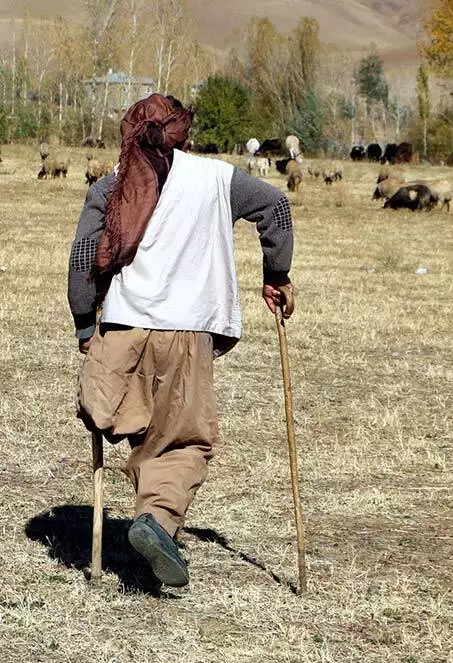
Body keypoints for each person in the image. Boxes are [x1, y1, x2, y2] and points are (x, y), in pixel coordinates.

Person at [67, 94, 296, 588]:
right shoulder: (218, 179)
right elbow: (276, 205)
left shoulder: (113, 185)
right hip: (189, 332)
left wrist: (86, 325)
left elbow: (83, 252)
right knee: (183, 437)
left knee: (124, 410)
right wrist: (277, 274)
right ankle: (157, 517)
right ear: (183, 132)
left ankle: (138, 466)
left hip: (125, 330)